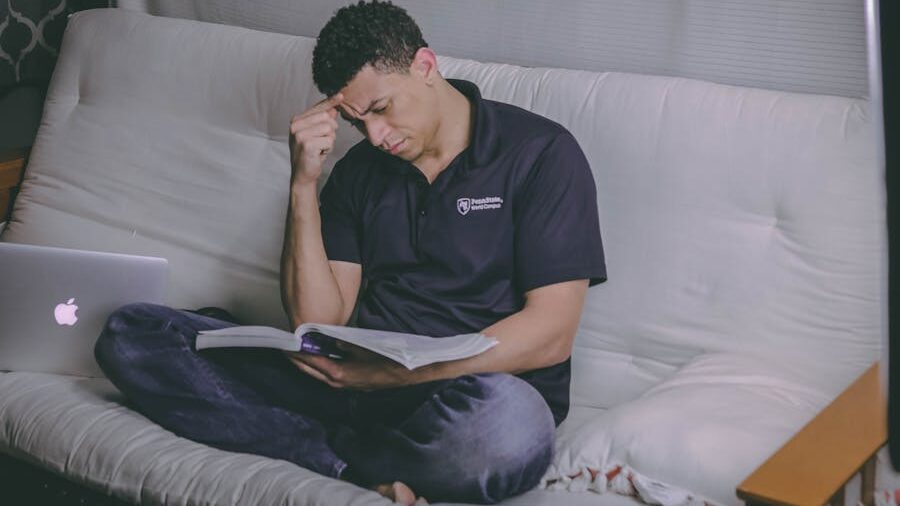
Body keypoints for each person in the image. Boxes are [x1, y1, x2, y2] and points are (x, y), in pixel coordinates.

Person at [94, 1, 606, 504]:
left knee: (507, 431)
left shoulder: (540, 153)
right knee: (133, 334)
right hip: (353, 384)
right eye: (357, 122)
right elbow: (317, 320)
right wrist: (303, 183)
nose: (375, 136)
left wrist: (398, 374)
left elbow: (551, 334)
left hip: (464, 396)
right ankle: (345, 461)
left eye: (381, 109)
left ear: (425, 66)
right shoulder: (360, 172)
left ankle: (329, 452)